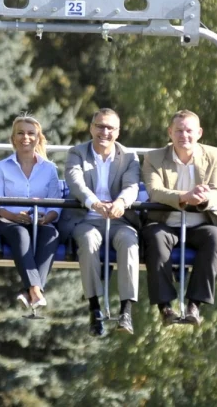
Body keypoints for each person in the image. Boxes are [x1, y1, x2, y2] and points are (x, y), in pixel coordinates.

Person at [141, 110, 217, 327]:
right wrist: (183, 197)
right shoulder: (154, 158)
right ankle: (165, 307)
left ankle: (194, 305)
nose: (184, 135)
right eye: (178, 130)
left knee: (216, 236)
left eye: (189, 130)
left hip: (200, 222)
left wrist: (203, 198)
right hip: (166, 221)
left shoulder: (214, 156)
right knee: (154, 237)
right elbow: (155, 191)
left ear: (199, 133)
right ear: (170, 132)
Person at [61, 108, 141, 336]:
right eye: (100, 126)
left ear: (117, 132)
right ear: (91, 128)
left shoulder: (128, 157)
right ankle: (94, 308)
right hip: (87, 218)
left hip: (119, 219)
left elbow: (132, 185)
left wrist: (121, 203)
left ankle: (126, 311)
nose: (104, 132)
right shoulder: (77, 152)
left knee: (129, 241)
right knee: (87, 241)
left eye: (110, 128)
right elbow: (76, 182)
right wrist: (94, 203)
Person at [0, 115, 62, 312]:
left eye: (31, 133)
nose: (25, 137)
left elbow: (56, 205)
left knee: (51, 234)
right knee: (21, 233)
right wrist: (13, 216)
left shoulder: (49, 169)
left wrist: (47, 218)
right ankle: (37, 292)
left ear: (38, 138)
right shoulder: (1, 167)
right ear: (13, 138)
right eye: (20, 133)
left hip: (41, 223)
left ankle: (29, 290)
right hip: (7, 222)